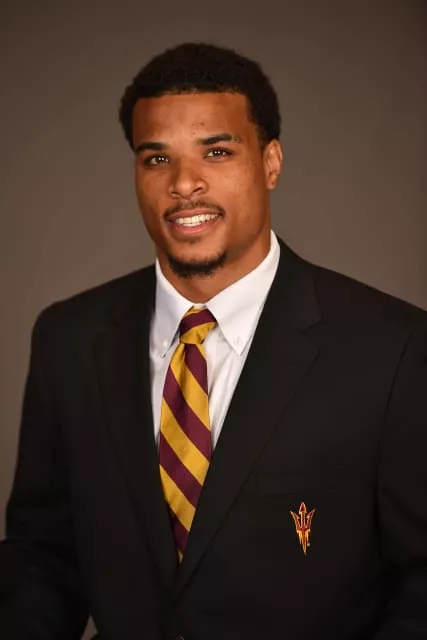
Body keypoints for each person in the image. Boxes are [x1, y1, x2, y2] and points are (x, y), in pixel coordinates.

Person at [1, 42, 426, 640]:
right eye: (157, 159)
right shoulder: (69, 338)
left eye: (217, 152)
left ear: (271, 162)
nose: (184, 184)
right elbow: (42, 554)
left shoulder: (393, 349)